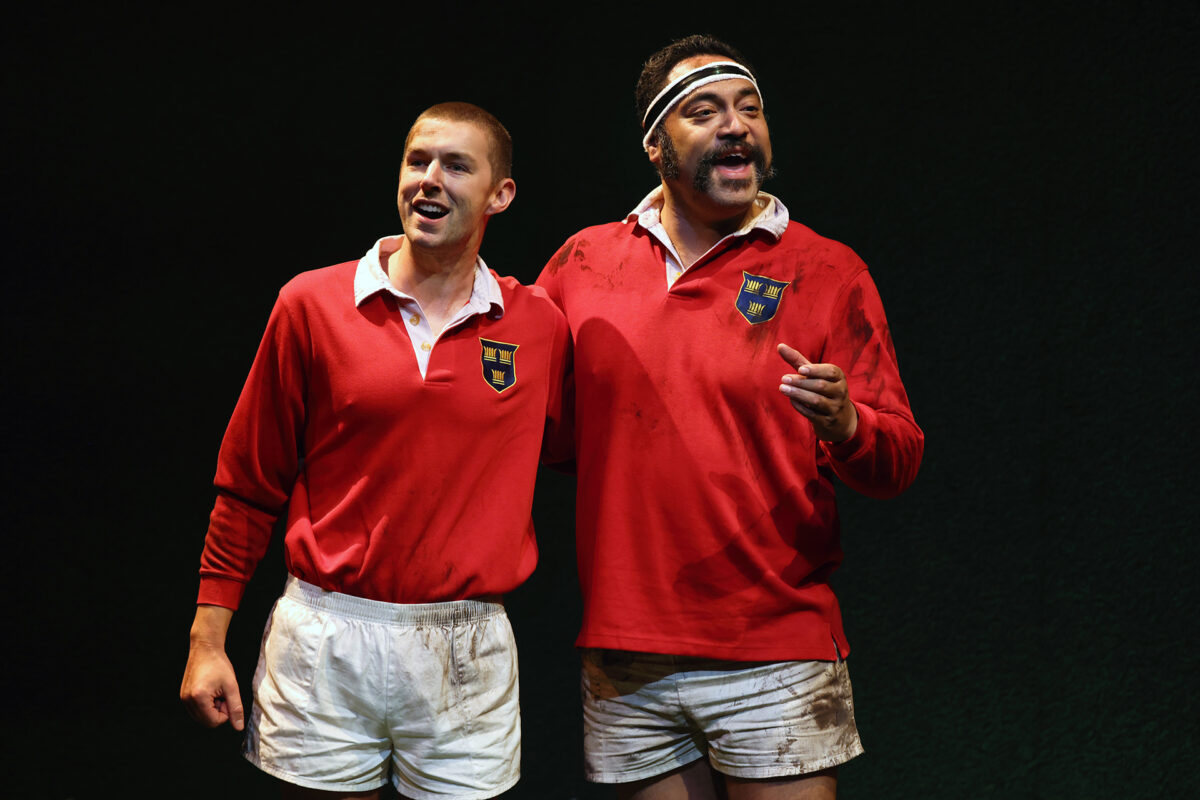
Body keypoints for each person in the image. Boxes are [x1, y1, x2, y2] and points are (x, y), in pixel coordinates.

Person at [535, 35, 924, 799]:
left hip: (775, 650)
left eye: (750, 108)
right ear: (655, 145)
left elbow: (900, 457)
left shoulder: (826, 269)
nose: (736, 125)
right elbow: (538, 427)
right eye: (705, 111)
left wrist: (848, 426)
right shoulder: (583, 263)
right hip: (627, 656)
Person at [180, 101, 570, 799]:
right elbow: (248, 483)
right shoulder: (311, 303)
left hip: (466, 643)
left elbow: (602, 451)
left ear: (500, 194)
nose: (430, 179)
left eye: (457, 166)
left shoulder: (538, 325)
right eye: (417, 161)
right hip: (326, 635)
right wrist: (207, 642)